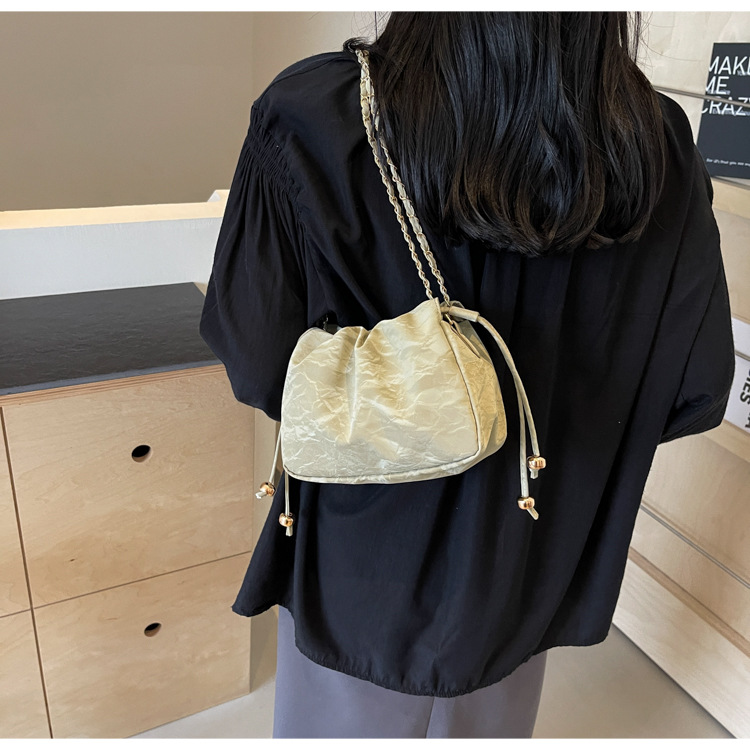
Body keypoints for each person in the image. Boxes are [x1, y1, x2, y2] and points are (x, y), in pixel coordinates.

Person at [199, 12, 735, 739]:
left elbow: (259, 364)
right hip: (530, 562)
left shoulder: (316, 115)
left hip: (360, 567)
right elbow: (695, 388)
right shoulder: (656, 140)